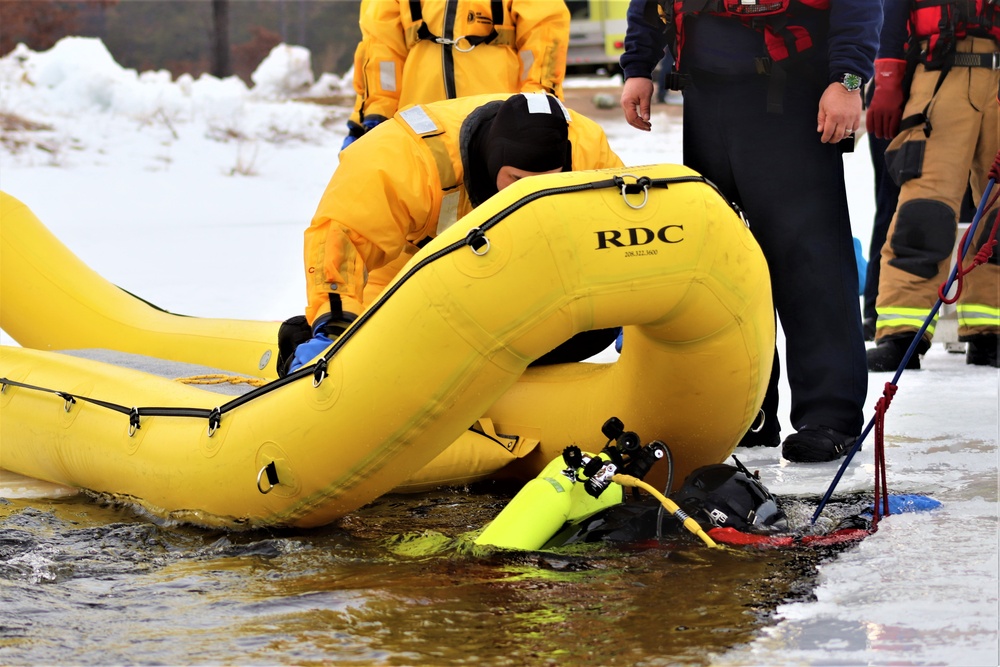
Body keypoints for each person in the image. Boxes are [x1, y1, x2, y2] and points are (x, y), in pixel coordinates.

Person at [618, 0, 879, 463]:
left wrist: (848, 81)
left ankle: (829, 417)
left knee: (809, 260)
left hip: (790, 98)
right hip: (706, 100)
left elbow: (859, 7)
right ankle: (749, 409)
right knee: (725, 267)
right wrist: (638, 66)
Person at [277, 92, 624, 376]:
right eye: (516, 181)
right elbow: (342, 237)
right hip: (404, 276)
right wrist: (335, 321)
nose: (526, 194)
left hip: (508, 273)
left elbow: (620, 228)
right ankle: (302, 338)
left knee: (594, 331)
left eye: (544, 182)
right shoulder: (406, 157)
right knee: (376, 357)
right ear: (492, 162)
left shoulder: (587, 150)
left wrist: (631, 304)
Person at [866, 0, 1000, 371]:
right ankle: (901, 333)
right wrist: (888, 78)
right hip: (940, 76)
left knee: (998, 220)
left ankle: (991, 333)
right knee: (924, 210)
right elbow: (891, 13)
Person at [340, 0, 570, 151]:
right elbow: (381, 50)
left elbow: (544, 38)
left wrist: (535, 107)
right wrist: (374, 114)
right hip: (418, 124)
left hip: (499, 122)